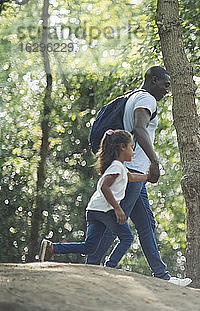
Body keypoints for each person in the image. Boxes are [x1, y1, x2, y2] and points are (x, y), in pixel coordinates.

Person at [86, 66, 191, 287]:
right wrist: (155, 162)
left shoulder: (133, 96)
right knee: (117, 219)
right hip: (130, 170)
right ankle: (92, 266)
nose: (167, 91)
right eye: (165, 85)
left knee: (146, 223)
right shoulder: (147, 100)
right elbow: (140, 129)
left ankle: (161, 275)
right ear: (153, 81)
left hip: (133, 171)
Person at [39, 130, 142, 266]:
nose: (133, 152)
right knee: (127, 238)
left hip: (94, 209)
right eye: (131, 147)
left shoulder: (118, 167)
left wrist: (148, 177)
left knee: (90, 247)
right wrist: (118, 209)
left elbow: (131, 177)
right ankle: (110, 265)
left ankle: (53, 248)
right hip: (106, 210)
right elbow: (105, 187)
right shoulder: (117, 166)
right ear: (122, 147)